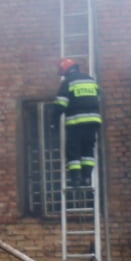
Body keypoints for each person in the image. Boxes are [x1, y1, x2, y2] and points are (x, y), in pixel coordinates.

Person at [53, 57, 103, 188]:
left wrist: (53, 121)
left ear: (65, 71)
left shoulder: (68, 82)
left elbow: (60, 104)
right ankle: (87, 177)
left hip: (76, 122)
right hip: (93, 122)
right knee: (88, 150)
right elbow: (98, 97)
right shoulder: (91, 81)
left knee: (73, 150)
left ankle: (76, 179)